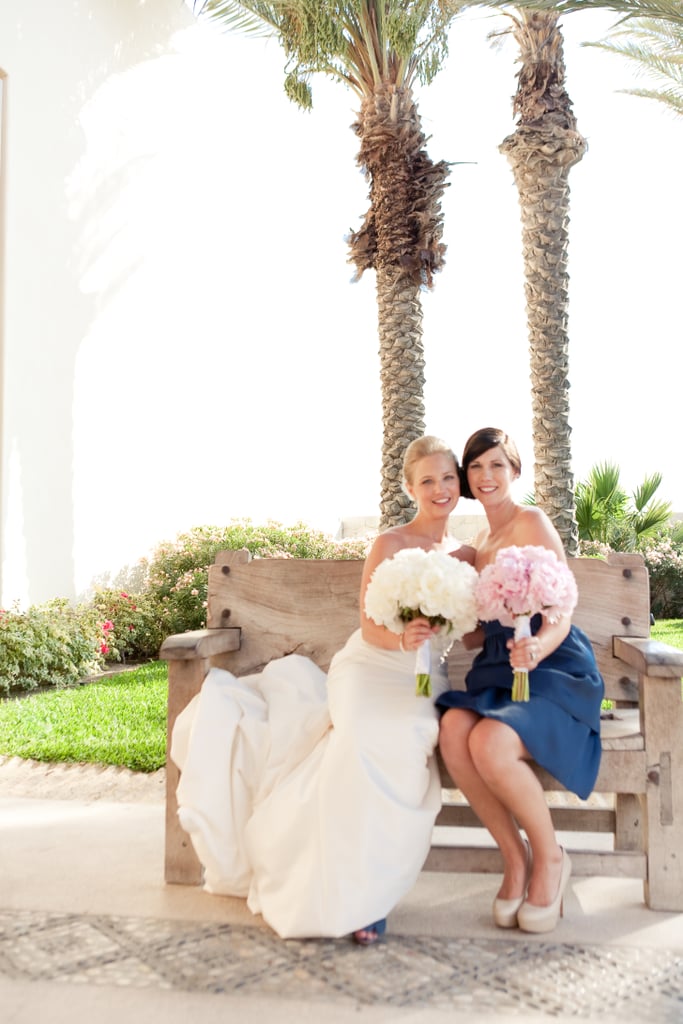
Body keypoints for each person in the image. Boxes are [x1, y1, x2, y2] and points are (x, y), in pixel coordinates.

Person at [171, 436, 475, 945]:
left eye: (448, 478)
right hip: (369, 666)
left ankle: (372, 890)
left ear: (458, 483)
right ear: (410, 487)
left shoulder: (467, 554)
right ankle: (347, 891)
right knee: (358, 742)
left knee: (409, 739)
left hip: (422, 677)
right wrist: (403, 636)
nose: (440, 489)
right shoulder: (391, 544)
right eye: (427, 480)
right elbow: (369, 623)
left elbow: (475, 628)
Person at [437, 427, 604, 934]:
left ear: (514, 470)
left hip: (550, 668)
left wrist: (539, 645)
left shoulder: (531, 522)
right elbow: (471, 639)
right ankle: (514, 858)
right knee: (452, 732)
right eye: (476, 467)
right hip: (497, 670)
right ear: (467, 478)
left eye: (496, 465)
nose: (486, 476)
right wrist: (444, 605)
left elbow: (563, 606)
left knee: (489, 741)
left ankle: (550, 858)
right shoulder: (476, 545)